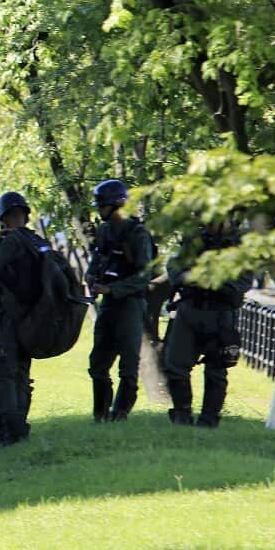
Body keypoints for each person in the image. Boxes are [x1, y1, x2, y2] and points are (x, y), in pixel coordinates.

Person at [163, 223, 252, 427]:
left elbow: (244, 281)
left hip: (220, 313)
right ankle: (181, 414)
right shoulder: (193, 237)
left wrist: (210, 280)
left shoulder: (241, 243)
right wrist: (183, 277)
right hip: (189, 308)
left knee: (216, 368)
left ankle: (209, 419)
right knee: (175, 364)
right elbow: (174, 266)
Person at [86, 179, 154, 422]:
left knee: (128, 366)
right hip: (109, 304)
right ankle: (100, 415)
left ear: (115, 205)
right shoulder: (105, 231)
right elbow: (98, 258)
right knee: (97, 364)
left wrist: (112, 289)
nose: (99, 210)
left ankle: (120, 414)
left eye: (102, 205)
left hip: (130, 304)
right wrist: (91, 276)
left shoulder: (138, 234)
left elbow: (145, 275)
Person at [0, 192, 42, 447]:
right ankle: (14, 430)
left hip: (6, 320)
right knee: (19, 375)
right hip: (30, 320)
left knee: (3, 377)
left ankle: (12, 432)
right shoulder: (36, 241)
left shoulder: (11, 242)